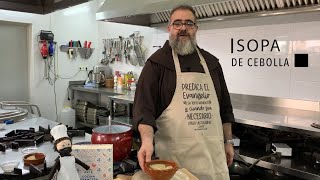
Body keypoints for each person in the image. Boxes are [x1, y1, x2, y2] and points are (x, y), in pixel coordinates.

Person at [133, 5, 235, 180]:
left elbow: (225, 109)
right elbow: (144, 111)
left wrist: (228, 142)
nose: (183, 28)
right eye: (177, 23)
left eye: (189, 23)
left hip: (213, 163)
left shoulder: (212, 64)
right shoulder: (156, 65)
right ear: (169, 28)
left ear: (195, 28)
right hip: (174, 167)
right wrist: (147, 142)